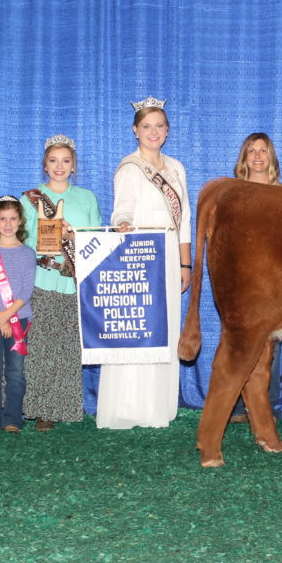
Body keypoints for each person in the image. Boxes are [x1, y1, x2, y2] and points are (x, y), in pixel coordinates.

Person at [98, 97, 191, 428]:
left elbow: (185, 221)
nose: (154, 132)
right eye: (147, 126)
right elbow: (121, 208)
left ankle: (159, 406)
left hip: (168, 255)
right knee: (136, 325)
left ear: (167, 131)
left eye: (160, 126)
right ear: (136, 130)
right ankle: (128, 406)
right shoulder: (129, 167)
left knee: (164, 326)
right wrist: (122, 223)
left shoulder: (177, 168)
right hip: (138, 253)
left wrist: (185, 264)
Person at [19, 135, 101, 432]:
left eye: (66, 161)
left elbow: (96, 239)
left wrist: (73, 237)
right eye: (53, 160)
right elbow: (22, 240)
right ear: (45, 164)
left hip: (74, 282)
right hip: (42, 278)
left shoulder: (87, 198)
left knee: (68, 348)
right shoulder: (30, 199)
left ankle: (64, 406)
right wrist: (49, 234)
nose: (59, 166)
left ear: (74, 165)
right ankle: (40, 409)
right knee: (41, 346)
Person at [228, 133, 282, 424]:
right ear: (244, 157)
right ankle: (238, 405)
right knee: (240, 342)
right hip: (241, 278)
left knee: (271, 343)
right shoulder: (233, 193)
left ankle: (266, 406)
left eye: (263, 150)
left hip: (275, 280)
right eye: (252, 151)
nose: (258, 156)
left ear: (271, 157)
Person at [0, 196, 36, 434]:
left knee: (15, 371)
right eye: (3, 219)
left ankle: (12, 417)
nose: (8, 224)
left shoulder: (27, 254)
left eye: (13, 218)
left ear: (20, 221)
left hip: (19, 318)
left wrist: (8, 316)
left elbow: (26, 290)